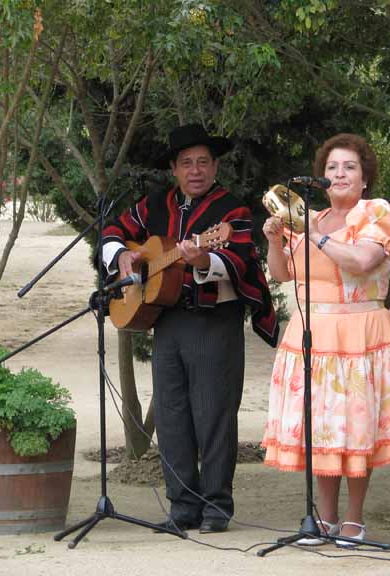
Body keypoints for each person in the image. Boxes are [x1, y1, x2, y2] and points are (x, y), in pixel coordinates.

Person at [101, 123, 279, 534]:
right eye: (186, 163)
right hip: (167, 321)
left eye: (203, 162)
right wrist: (122, 258)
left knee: (214, 413)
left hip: (214, 321)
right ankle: (182, 505)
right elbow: (114, 231)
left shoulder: (231, 211)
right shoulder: (154, 205)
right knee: (172, 414)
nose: (195, 170)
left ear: (215, 167)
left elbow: (244, 262)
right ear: (174, 170)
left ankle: (216, 505)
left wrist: (203, 261)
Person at [261, 133, 390, 546]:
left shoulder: (375, 212)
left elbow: (364, 261)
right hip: (312, 332)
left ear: (365, 178)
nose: (340, 173)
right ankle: (323, 518)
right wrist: (276, 238)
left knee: (355, 427)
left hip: (359, 333)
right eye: (332, 167)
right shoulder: (309, 218)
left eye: (349, 167)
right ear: (322, 176)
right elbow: (282, 274)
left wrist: (315, 237)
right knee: (321, 427)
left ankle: (354, 518)